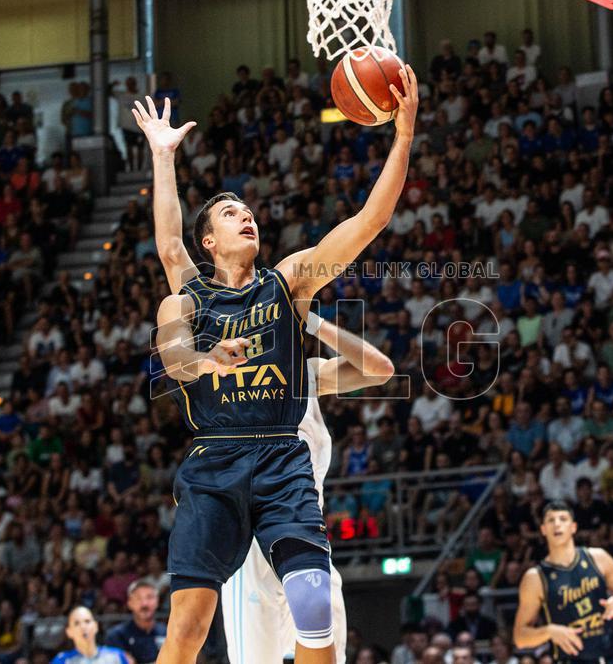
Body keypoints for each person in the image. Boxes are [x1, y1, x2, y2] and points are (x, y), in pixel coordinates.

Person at [134, 61, 417, 664]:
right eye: (231, 214)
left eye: (248, 210)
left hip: (283, 456)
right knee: (185, 630)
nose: (247, 215)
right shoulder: (187, 296)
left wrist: (405, 135)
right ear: (208, 241)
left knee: (316, 613)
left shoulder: (288, 283)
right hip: (217, 459)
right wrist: (163, 157)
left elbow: (369, 222)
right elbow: (175, 352)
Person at [221, 316, 394, 664]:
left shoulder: (308, 374)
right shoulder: (223, 381)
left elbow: (380, 369)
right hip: (253, 545)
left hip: (307, 539)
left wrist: (313, 322)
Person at [513, 501, 613, 663]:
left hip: (610, 655)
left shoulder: (598, 558)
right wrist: (549, 631)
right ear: (543, 530)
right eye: (551, 520)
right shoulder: (535, 577)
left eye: (562, 519)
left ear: (573, 527)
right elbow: (520, 637)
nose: (557, 524)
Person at [104, 579, 166, 664]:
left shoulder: (168, 633)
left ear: (157, 601)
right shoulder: (116, 636)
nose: (144, 604)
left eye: (149, 597)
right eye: (138, 598)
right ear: (129, 603)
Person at [51, 606, 129, 664]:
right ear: (69, 632)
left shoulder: (116, 656)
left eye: (87, 621)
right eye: (76, 623)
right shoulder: (62, 661)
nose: (83, 626)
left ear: (96, 626)